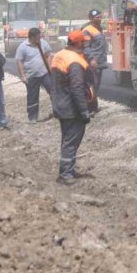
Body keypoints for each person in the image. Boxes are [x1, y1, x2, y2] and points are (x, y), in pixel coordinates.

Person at [51, 30, 92, 184]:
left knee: (67, 139)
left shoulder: (59, 55)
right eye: (84, 42)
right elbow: (76, 88)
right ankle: (66, 174)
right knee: (71, 141)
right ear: (78, 43)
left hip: (60, 103)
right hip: (71, 108)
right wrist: (84, 111)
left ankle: (68, 169)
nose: (86, 44)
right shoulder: (75, 61)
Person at [15, 27, 54, 123]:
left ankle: (58, 111)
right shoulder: (23, 47)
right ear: (31, 37)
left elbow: (49, 54)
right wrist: (23, 76)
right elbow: (19, 61)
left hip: (45, 74)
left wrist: (50, 68)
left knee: (53, 90)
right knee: (33, 97)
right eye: (37, 37)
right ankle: (32, 117)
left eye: (39, 37)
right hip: (31, 76)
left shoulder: (43, 43)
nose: (39, 39)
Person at [81, 9, 107, 113]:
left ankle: (93, 107)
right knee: (91, 85)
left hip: (99, 62)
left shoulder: (99, 29)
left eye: (100, 17)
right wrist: (91, 59)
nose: (99, 19)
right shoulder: (87, 30)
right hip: (92, 63)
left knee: (96, 86)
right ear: (91, 18)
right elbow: (86, 47)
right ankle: (88, 108)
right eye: (97, 17)